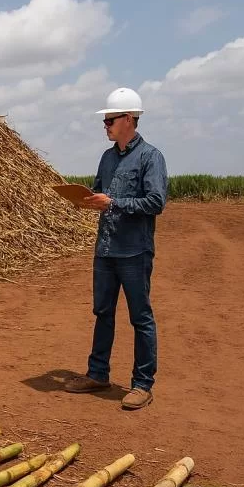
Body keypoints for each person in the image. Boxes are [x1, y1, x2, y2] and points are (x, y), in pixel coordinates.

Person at [64, 87, 168, 410]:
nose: (105, 126)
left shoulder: (151, 157)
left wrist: (113, 203)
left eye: (109, 120)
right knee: (103, 313)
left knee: (141, 318)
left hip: (135, 252)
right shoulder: (107, 158)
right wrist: (86, 200)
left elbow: (156, 201)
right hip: (106, 250)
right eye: (105, 121)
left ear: (127, 119)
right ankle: (98, 374)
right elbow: (100, 194)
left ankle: (142, 384)